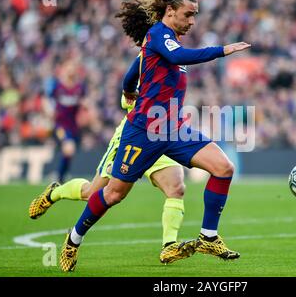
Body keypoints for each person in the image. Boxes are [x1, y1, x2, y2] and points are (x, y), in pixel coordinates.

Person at [60, 0, 251, 272]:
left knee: (224, 168)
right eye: (188, 15)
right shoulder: (159, 36)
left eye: (195, 15)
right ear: (170, 10)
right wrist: (222, 50)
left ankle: (208, 236)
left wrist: (127, 91)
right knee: (113, 194)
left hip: (173, 127)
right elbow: (177, 57)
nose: (192, 21)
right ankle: (73, 240)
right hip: (144, 132)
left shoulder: (168, 40)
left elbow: (129, 74)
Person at [29, 95, 190, 264]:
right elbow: (125, 99)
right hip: (133, 137)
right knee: (92, 193)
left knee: (176, 187)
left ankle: (169, 246)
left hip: (161, 136)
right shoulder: (146, 68)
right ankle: (54, 193)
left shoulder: (180, 69)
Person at [45, 61, 86, 184]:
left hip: (74, 126)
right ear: (63, 70)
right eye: (68, 68)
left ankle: (61, 177)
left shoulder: (79, 88)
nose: (71, 71)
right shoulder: (57, 86)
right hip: (60, 125)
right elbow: (46, 99)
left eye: (73, 69)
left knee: (69, 152)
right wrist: (49, 111)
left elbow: (84, 100)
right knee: (69, 148)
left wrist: (86, 106)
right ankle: (59, 176)